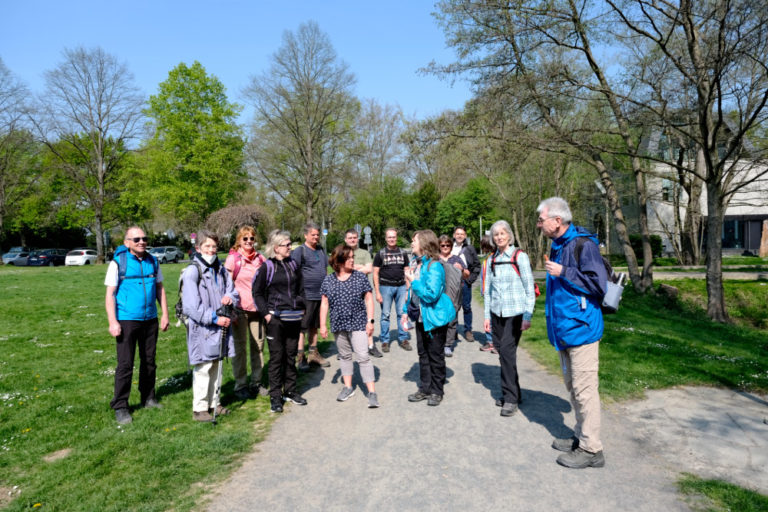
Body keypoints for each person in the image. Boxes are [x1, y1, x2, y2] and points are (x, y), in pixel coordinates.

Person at [537, 197, 608, 469]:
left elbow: (598, 285)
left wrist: (564, 271)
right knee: (574, 388)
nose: (539, 224)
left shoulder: (584, 245)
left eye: (542, 220)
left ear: (557, 220)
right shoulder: (558, 245)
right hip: (565, 330)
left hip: (582, 330)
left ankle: (592, 449)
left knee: (585, 390)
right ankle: (580, 437)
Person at [105, 227, 170, 425]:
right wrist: (113, 321)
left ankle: (148, 398)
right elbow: (110, 295)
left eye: (144, 238)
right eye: (136, 239)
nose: (141, 242)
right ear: (127, 243)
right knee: (125, 364)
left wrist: (164, 314)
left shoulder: (153, 261)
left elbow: (160, 288)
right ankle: (121, 406)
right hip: (127, 320)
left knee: (149, 361)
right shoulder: (119, 263)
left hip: (150, 319)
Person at [182, 231, 238, 422]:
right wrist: (214, 318)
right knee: (204, 367)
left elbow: (233, 290)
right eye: (207, 246)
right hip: (203, 329)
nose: (211, 250)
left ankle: (215, 403)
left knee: (217, 365)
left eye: (214, 246)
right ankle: (199, 408)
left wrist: (230, 297)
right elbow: (191, 306)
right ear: (198, 248)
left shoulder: (220, 269)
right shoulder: (192, 271)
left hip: (220, 327)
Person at [482, 221, 536, 417]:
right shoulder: (491, 260)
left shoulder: (519, 257)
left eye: (502, 233)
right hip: (497, 313)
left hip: (515, 314)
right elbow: (486, 291)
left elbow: (530, 289)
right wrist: (487, 316)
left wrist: (527, 316)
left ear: (509, 236)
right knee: (504, 354)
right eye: (496, 234)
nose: (499, 237)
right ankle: (515, 392)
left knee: (506, 352)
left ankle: (510, 398)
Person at [254, 230, 308, 413]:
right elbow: (257, 292)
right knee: (277, 358)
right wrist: (266, 315)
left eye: (290, 244)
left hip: (293, 318)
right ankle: (276, 396)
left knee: (291, 355)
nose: (290, 247)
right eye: (287, 244)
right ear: (276, 248)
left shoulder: (294, 264)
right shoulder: (267, 267)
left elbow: (301, 288)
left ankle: (291, 390)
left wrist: (302, 307)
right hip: (275, 319)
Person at [319, 244, 378, 408]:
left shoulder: (359, 277)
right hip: (338, 324)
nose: (353, 260)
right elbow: (324, 303)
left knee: (363, 357)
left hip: (358, 323)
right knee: (345, 356)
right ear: (339, 260)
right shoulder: (329, 280)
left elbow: (368, 299)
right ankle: (348, 387)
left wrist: (370, 321)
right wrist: (323, 325)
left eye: (353, 257)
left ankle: (372, 392)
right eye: (349, 258)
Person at [402, 230, 455, 407]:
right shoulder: (416, 263)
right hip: (420, 317)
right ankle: (425, 388)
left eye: (414, 240)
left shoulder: (435, 266)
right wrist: (405, 312)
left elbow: (431, 295)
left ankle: (437, 391)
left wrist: (413, 281)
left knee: (435, 355)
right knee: (422, 354)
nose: (411, 243)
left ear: (424, 243)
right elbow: (411, 292)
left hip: (434, 318)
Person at [224, 226, 267, 400]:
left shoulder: (260, 258)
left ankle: (256, 382)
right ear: (239, 240)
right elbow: (226, 285)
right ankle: (240, 385)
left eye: (251, 238)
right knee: (240, 349)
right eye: (245, 239)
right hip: (239, 311)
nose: (249, 242)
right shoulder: (233, 259)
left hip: (257, 310)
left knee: (258, 347)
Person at [292, 222, 330, 371]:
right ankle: (300, 358)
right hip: (305, 295)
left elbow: (325, 269)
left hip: (320, 295)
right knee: (302, 327)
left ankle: (313, 354)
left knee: (315, 325)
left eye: (317, 234)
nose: (316, 237)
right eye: (313, 234)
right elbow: (293, 274)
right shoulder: (300, 251)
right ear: (305, 235)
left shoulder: (321, 250)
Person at [372, 228, 412, 353]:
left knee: (402, 313)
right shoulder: (380, 253)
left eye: (393, 237)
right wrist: (377, 292)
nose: (391, 239)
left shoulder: (403, 253)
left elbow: (407, 271)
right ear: (386, 238)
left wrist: (408, 290)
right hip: (385, 287)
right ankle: (384, 341)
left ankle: (404, 339)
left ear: (396, 237)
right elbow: (375, 273)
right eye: (389, 237)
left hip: (401, 287)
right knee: (385, 315)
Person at [344, 229, 379, 358]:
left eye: (354, 237)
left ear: (358, 238)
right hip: (346, 289)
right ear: (345, 239)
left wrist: (352, 268)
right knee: (345, 316)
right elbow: (340, 268)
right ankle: (346, 348)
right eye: (350, 238)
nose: (352, 240)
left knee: (366, 316)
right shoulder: (342, 251)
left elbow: (369, 269)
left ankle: (370, 345)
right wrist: (359, 267)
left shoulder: (364, 253)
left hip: (362, 288)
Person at [438, 234, 466, 358]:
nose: (445, 247)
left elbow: (467, 275)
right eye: (442, 245)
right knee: (438, 318)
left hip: (454, 293)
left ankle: (448, 345)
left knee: (451, 319)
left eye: (448, 245)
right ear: (439, 246)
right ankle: (438, 343)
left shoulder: (457, 259)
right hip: (438, 294)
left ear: (451, 245)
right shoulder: (434, 259)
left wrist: (462, 270)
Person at [451, 226, 480, 342]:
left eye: (462, 234)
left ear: (465, 236)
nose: (459, 236)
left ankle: (468, 330)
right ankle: (453, 330)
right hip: (451, 283)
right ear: (454, 235)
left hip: (464, 282)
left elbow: (477, 266)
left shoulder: (470, 249)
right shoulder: (448, 247)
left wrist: (469, 280)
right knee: (453, 307)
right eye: (457, 234)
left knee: (466, 307)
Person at [478, 235, 497, 353]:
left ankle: (493, 342)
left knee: (492, 318)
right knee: (490, 318)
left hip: (492, 293)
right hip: (488, 292)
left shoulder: (493, 259)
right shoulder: (488, 258)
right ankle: (492, 342)